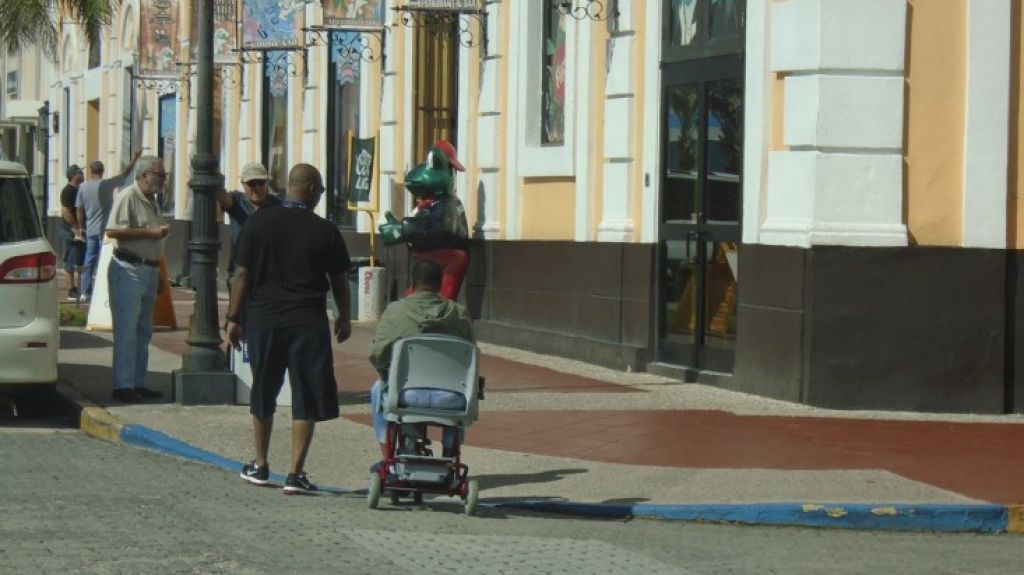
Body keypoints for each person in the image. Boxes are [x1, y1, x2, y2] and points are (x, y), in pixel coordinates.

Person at [225, 163, 352, 494]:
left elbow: (241, 275)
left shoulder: (258, 224)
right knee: (306, 394)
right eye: (321, 191)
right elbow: (339, 278)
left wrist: (234, 318)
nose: (321, 196)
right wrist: (344, 315)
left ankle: (261, 464)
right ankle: (295, 474)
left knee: (263, 389)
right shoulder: (325, 230)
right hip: (307, 322)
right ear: (310, 190)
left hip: (263, 320)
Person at [368, 258, 474, 461]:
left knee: (376, 390)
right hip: (452, 396)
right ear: (440, 283)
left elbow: (376, 353)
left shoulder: (395, 311)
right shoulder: (459, 315)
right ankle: (451, 451)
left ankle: (388, 459)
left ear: (412, 284)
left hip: (405, 393)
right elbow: (470, 356)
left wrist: (385, 371)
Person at [104, 156, 170, 403]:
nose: (162, 180)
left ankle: (138, 382)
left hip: (149, 268)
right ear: (144, 175)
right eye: (159, 175)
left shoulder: (151, 201)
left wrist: (159, 272)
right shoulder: (128, 196)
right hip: (128, 268)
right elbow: (112, 231)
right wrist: (150, 232)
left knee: (144, 330)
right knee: (127, 329)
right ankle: (123, 385)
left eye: (163, 175)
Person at [378, 140, 470, 300]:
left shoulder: (449, 205)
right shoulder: (426, 205)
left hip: (448, 260)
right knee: (415, 297)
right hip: (427, 263)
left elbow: (436, 227)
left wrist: (403, 229)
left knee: (439, 299)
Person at [76, 151, 142, 301]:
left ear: (91, 171)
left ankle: (84, 292)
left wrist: (81, 228)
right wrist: (134, 159)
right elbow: (125, 175)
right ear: (102, 171)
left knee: (89, 260)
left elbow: (79, 210)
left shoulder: (83, 188)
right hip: (107, 230)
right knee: (106, 260)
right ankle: (105, 290)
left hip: (91, 228)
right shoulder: (106, 185)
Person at [215, 161, 281, 289]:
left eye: (261, 183)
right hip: (239, 273)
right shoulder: (237, 201)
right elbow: (223, 198)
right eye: (251, 184)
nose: (256, 188)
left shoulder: (277, 205)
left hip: (269, 276)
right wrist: (217, 183)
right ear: (243, 184)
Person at [59, 165, 85, 300]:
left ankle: (80, 287)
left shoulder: (79, 190)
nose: (82, 174)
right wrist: (76, 228)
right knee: (70, 259)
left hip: (79, 230)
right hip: (69, 231)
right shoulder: (68, 191)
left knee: (79, 259)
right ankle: (71, 288)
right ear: (74, 176)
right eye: (80, 172)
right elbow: (66, 211)